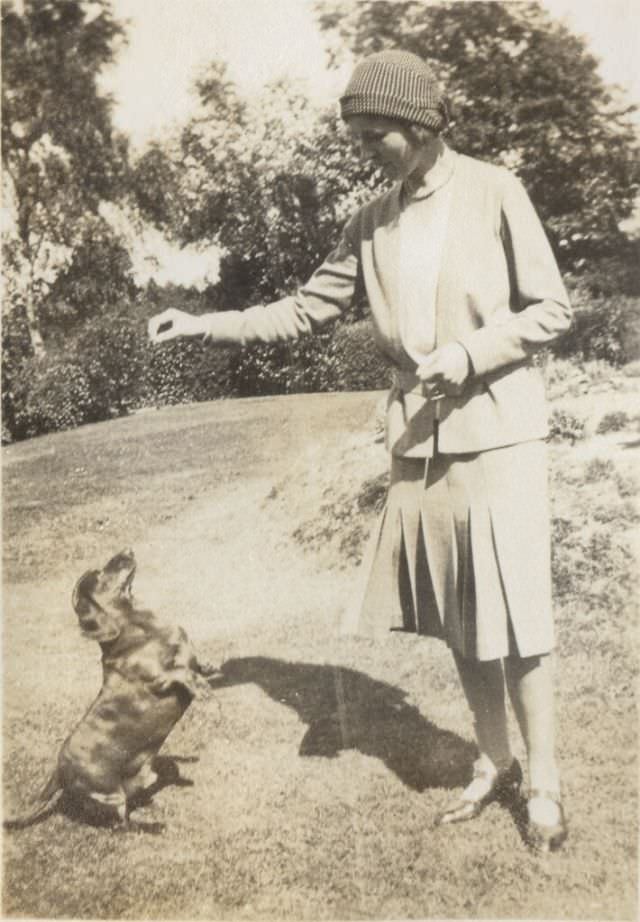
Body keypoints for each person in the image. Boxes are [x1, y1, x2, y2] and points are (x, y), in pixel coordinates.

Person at [148, 50, 571, 853]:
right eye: (357, 133)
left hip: (500, 432)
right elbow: (306, 310)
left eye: (375, 133)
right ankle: (495, 762)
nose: (363, 147)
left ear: (420, 126)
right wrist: (205, 323)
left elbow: (553, 310)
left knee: (518, 619)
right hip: (418, 442)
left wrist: (472, 353)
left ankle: (545, 785)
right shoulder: (369, 222)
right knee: (461, 617)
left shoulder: (495, 192)